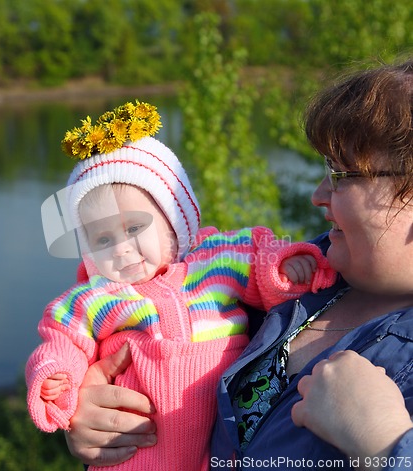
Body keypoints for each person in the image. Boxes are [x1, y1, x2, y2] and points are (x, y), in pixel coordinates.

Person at [64, 60, 413, 470]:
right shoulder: (291, 272)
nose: (319, 195)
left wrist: (386, 445)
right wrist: (94, 412)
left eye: (342, 174)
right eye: (325, 169)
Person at [25, 101, 336, 470]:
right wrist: (57, 375)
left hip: (219, 440)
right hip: (140, 448)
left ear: (175, 222)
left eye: (134, 228)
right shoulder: (97, 297)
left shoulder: (215, 261)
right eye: (102, 240)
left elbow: (259, 256)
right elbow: (62, 338)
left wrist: (286, 267)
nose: (122, 249)